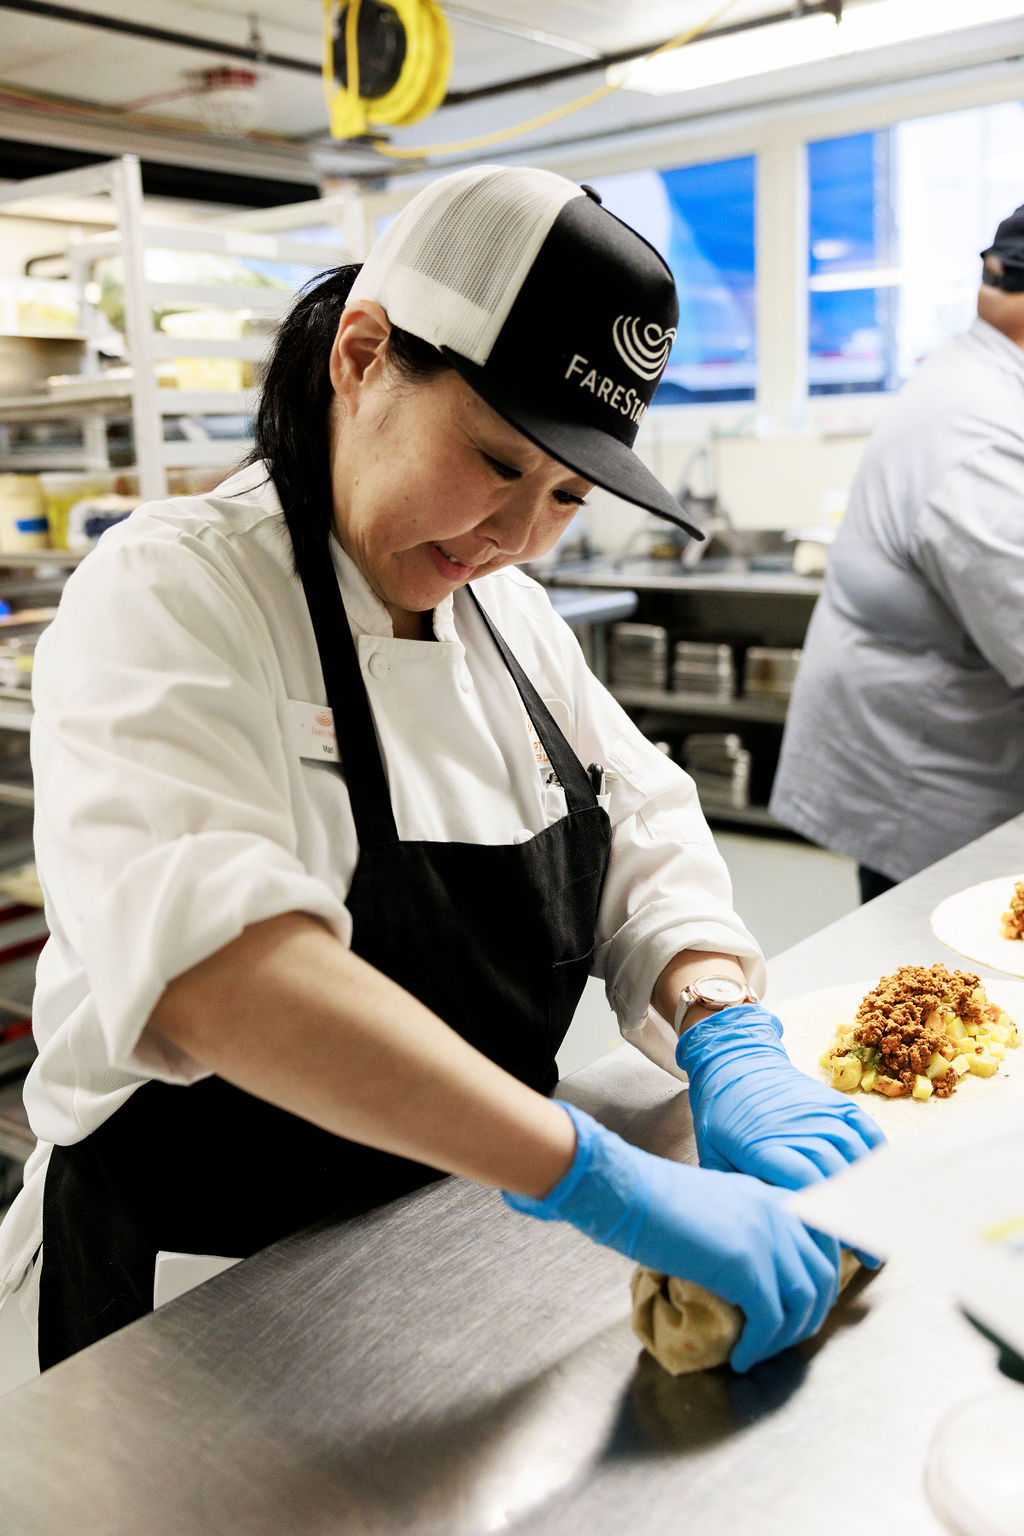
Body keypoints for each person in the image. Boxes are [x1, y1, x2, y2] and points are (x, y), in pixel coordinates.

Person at [0, 164, 882, 1376]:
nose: (516, 535)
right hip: (204, 1304)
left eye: (566, 493)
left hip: (443, 1252)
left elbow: (642, 835)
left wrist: (722, 1026)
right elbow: (218, 974)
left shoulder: (508, 617)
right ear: (362, 355)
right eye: (497, 461)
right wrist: (592, 1175)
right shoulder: (173, 589)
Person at [771, 203, 1024, 902]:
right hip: (928, 782)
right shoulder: (980, 434)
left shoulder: (981, 377)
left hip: (934, 739)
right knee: (932, 955)